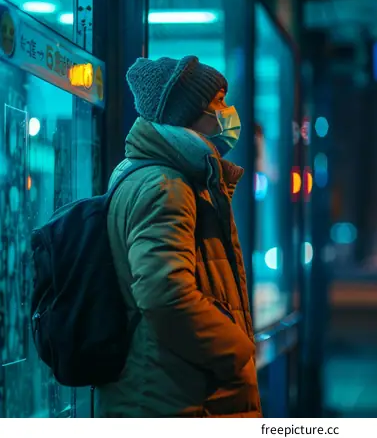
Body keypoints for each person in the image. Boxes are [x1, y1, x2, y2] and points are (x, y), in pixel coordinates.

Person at [97, 56, 261, 418]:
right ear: (188, 115)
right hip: (177, 396)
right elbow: (164, 293)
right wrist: (235, 351)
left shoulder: (155, 175)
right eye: (217, 102)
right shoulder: (166, 185)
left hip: (174, 388)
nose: (227, 112)